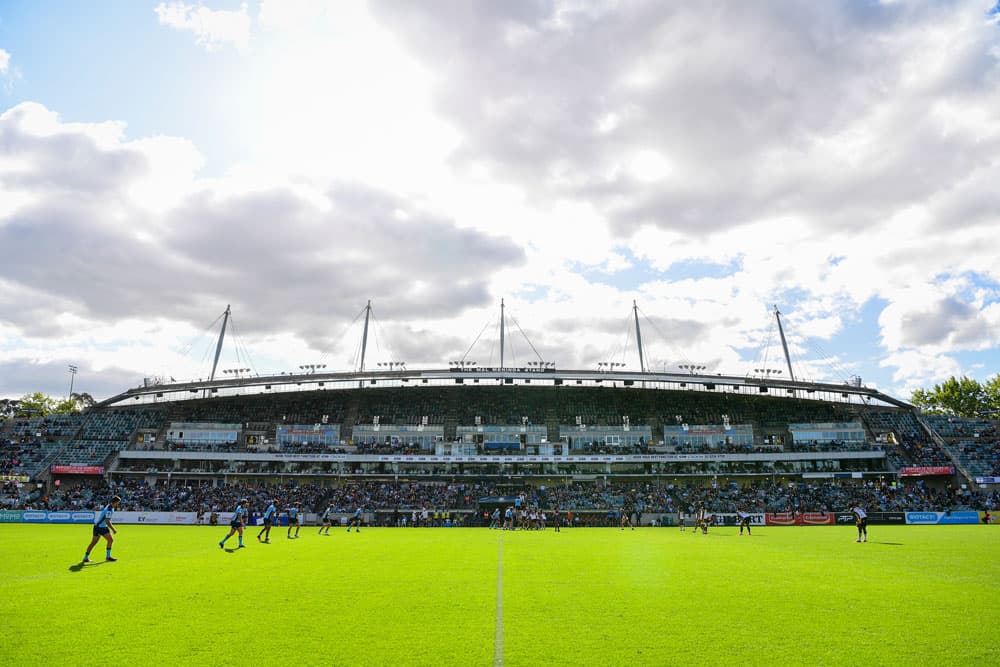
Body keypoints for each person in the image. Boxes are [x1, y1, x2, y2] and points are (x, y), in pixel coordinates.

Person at [83, 495, 120, 563]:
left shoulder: (110, 506)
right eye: (118, 503)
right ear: (115, 502)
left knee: (94, 543)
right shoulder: (109, 509)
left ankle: (85, 558)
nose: (118, 504)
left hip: (98, 526)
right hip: (101, 527)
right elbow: (107, 521)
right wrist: (113, 529)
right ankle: (108, 557)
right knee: (110, 540)